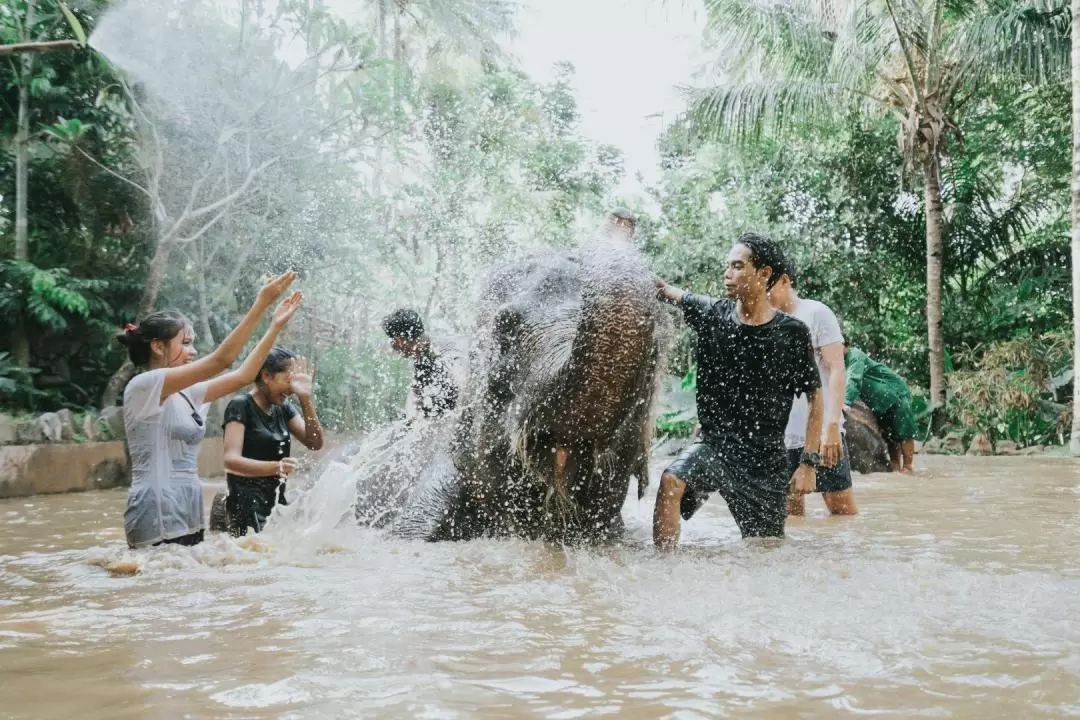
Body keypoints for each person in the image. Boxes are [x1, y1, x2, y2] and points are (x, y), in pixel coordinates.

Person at [653, 233, 824, 549]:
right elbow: (668, 292)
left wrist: (808, 463)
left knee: (765, 552)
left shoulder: (792, 334)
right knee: (671, 481)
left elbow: (816, 396)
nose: (727, 273)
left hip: (765, 462)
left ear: (763, 274)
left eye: (737, 266)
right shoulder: (713, 314)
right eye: (727, 266)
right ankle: (665, 568)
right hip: (715, 446)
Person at [117, 272, 303, 549]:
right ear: (158, 347)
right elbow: (221, 360)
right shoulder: (144, 386)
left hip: (189, 509)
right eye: (186, 343)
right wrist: (260, 304)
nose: (192, 351)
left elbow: (242, 375)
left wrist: (274, 326)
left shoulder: (189, 393)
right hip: (154, 509)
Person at [768, 258, 857, 516]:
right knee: (791, 518)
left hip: (821, 434)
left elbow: (837, 369)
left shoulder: (816, 312)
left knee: (842, 512)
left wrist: (831, 427)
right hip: (781, 438)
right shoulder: (766, 319)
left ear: (785, 280)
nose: (764, 294)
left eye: (769, 287)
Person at [221, 347, 325, 536]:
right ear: (267, 375)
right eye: (288, 380)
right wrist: (275, 467)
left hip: (276, 505)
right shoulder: (241, 405)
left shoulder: (283, 408)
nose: (292, 389)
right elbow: (230, 460)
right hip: (245, 507)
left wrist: (305, 399)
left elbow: (315, 443)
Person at [843, 339, 918, 473]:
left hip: (896, 393)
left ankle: (908, 467)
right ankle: (895, 466)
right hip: (879, 403)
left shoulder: (855, 355)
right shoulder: (838, 363)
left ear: (846, 346)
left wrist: (845, 403)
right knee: (889, 436)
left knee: (904, 433)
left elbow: (853, 380)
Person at [382, 308, 458, 421]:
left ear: (400, 340)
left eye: (392, 340)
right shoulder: (421, 358)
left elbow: (461, 387)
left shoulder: (442, 352)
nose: (392, 347)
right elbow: (416, 396)